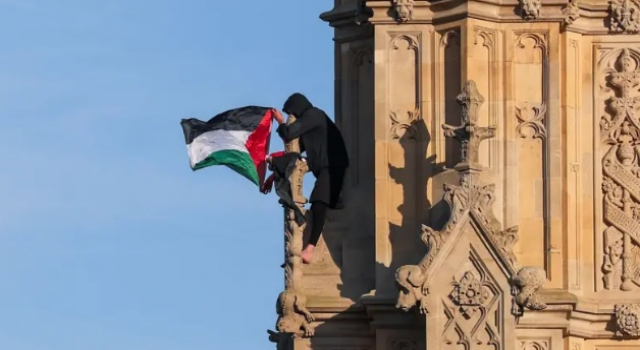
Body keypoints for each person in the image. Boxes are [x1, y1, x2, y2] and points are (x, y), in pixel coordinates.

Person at [261, 93, 349, 264]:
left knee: (318, 202)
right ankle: (334, 203)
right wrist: (272, 172)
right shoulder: (311, 122)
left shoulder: (313, 115)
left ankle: (310, 248)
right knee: (322, 202)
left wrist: (280, 121)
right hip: (328, 166)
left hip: (332, 166)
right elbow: (294, 154)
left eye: (291, 113)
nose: (290, 117)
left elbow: (289, 133)